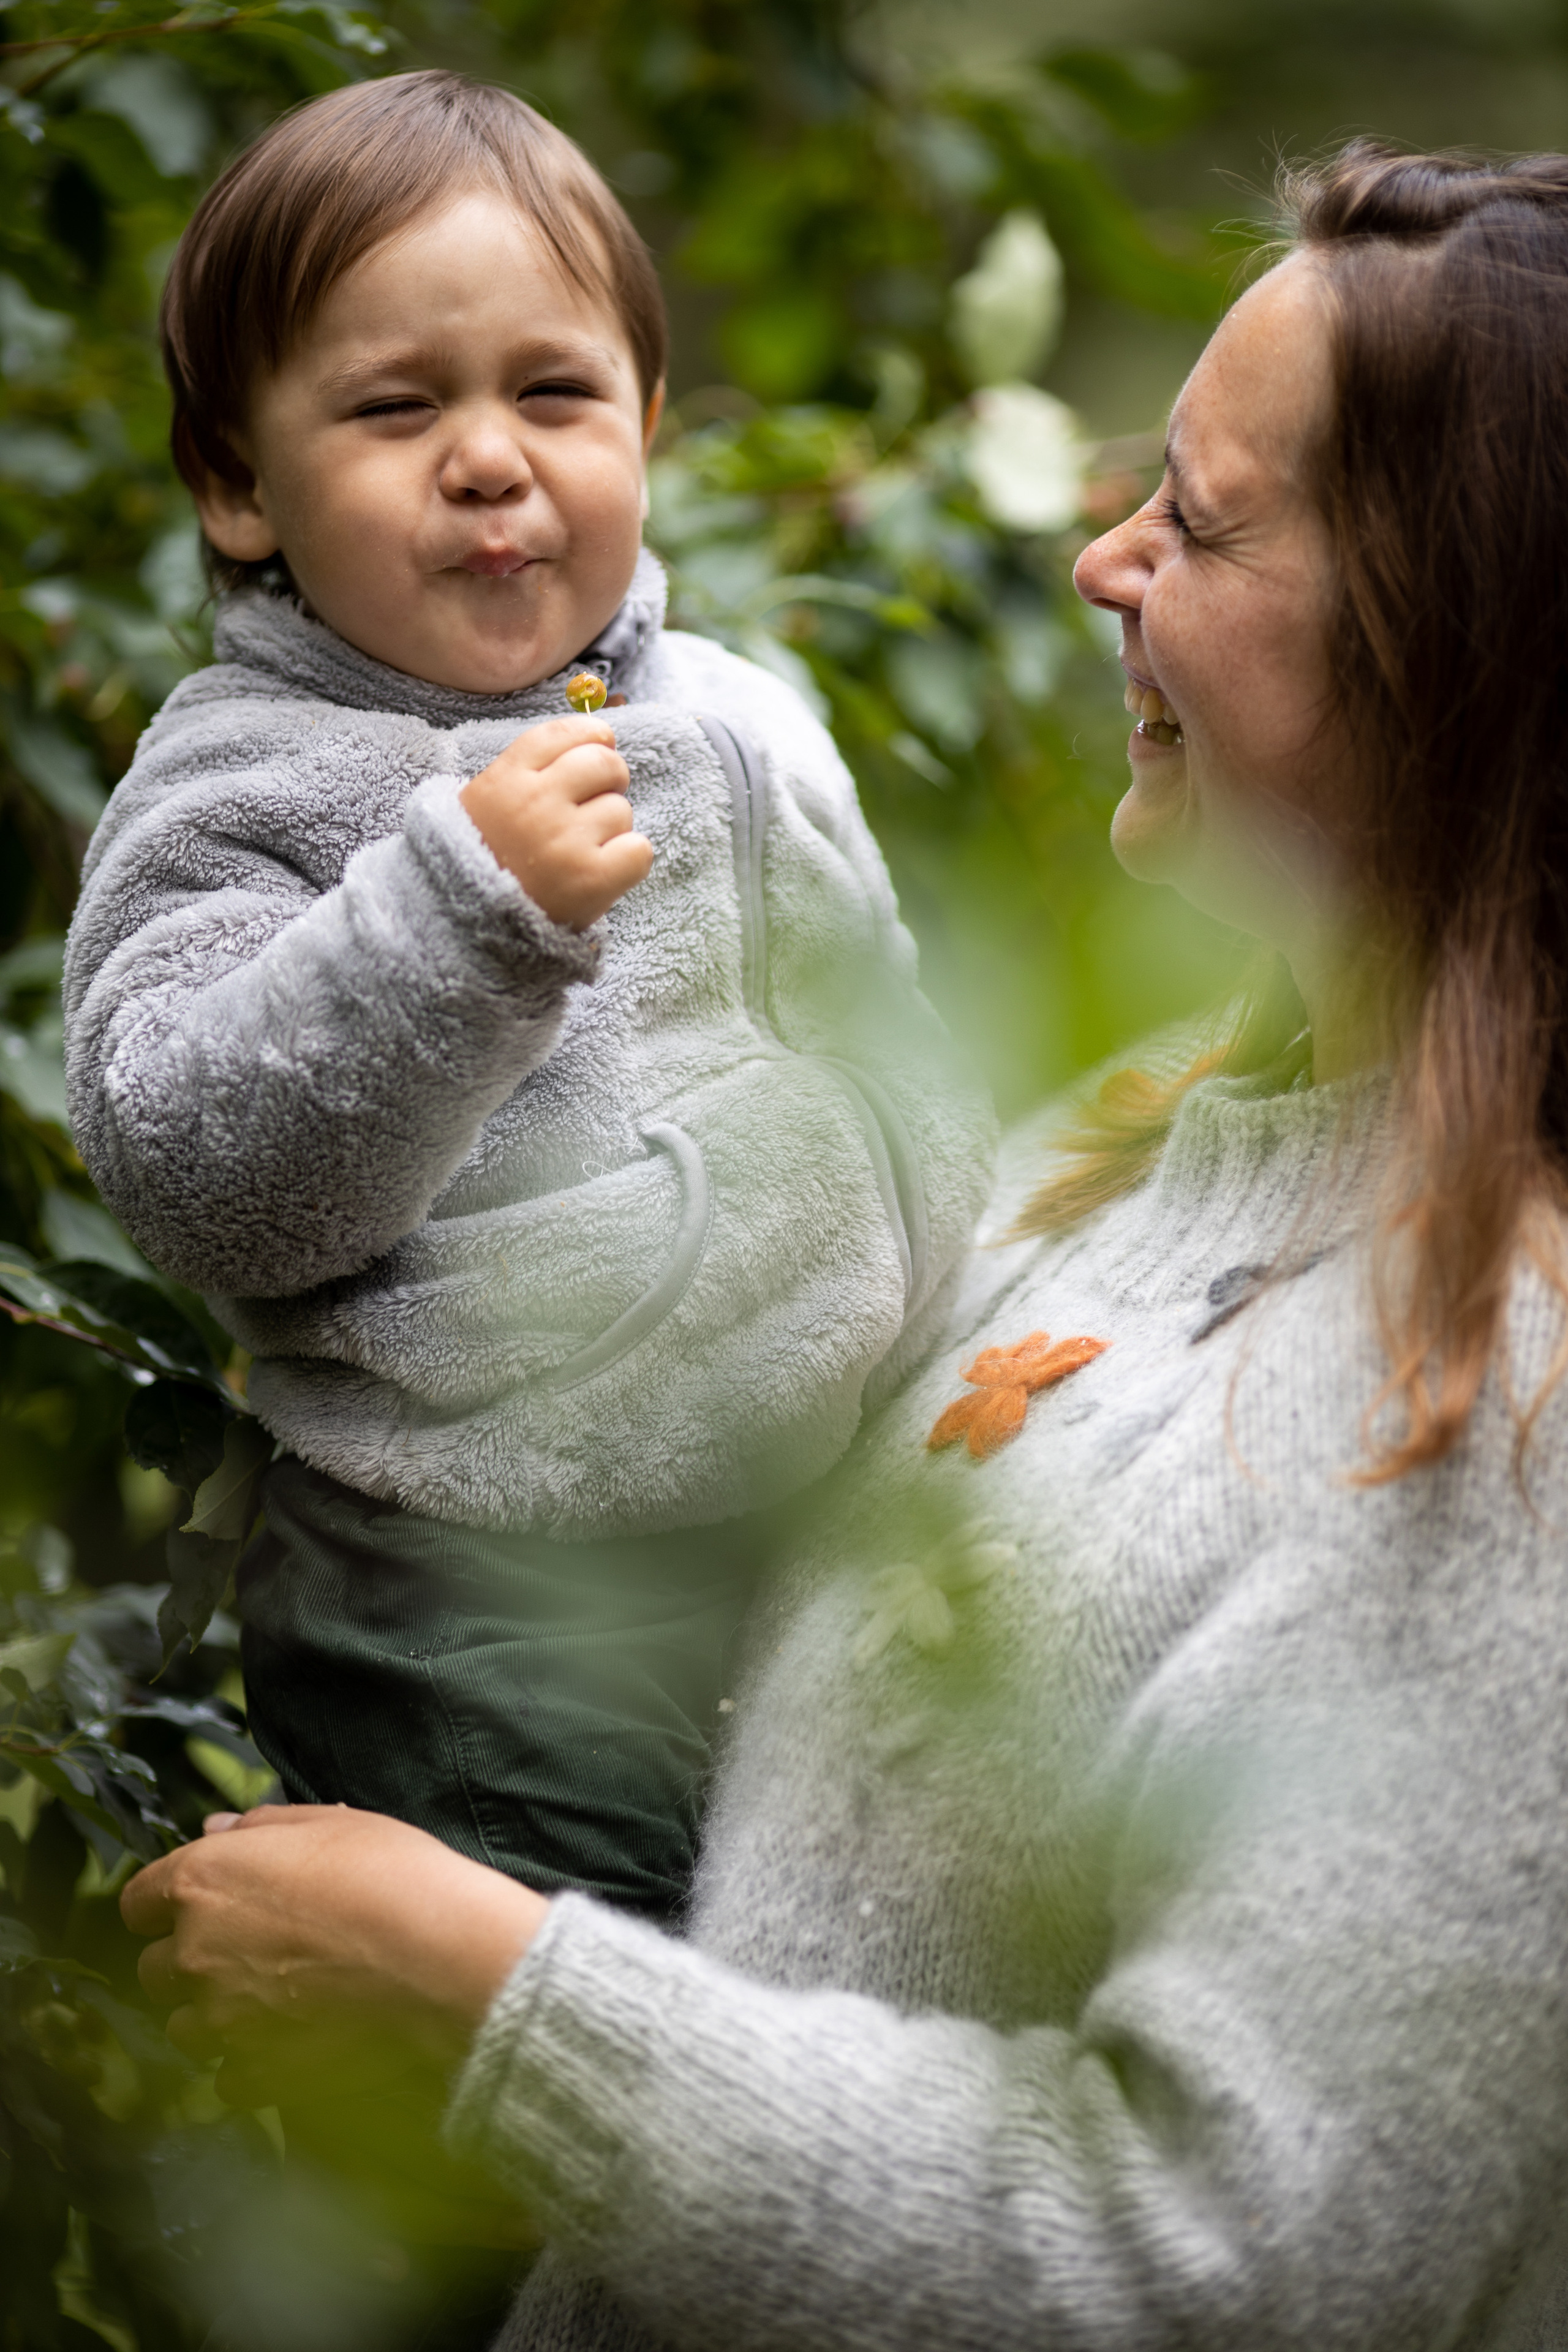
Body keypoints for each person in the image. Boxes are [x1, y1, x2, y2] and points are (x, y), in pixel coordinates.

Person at [124, 144, 1568, 2351]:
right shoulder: (1149, 1140)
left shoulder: (1502, 1407)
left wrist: (490, 2000)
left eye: (1195, 519)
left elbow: (1227, 2280)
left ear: (1459, 637)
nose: (1100, 561)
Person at [62, 70, 991, 1921]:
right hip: (464, 1575)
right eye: (396, 407)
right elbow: (187, 1166)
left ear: (645, 424)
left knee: (803, 1977)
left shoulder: (736, 712)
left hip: (791, 1514)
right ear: (240, 483)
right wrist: (454, 922)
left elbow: (883, 1031)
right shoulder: (251, 779)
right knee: (553, 2033)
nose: (488, 456)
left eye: (552, 394)